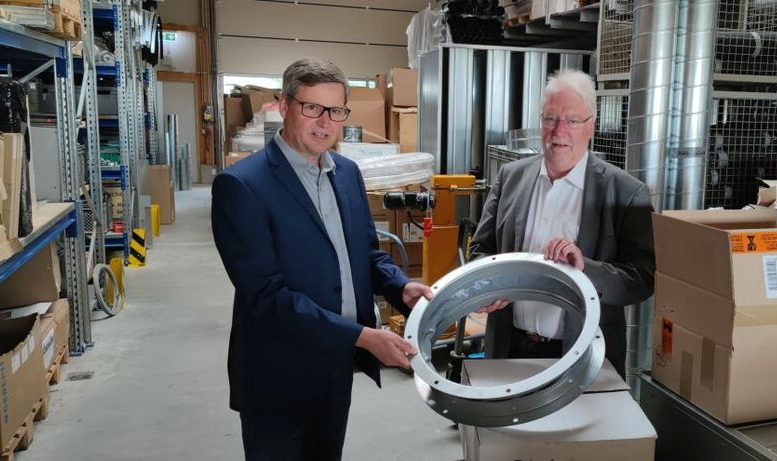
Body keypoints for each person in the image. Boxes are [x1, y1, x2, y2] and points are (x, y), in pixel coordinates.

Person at [211, 58, 433, 461]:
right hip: (277, 375)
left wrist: (400, 287)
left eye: (336, 111)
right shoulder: (242, 185)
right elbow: (266, 296)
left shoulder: (346, 173)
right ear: (284, 105)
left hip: (335, 367)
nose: (324, 123)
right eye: (312, 107)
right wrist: (362, 336)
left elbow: (365, 253)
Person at [469, 69, 656, 379]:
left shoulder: (626, 192)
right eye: (550, 118)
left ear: (591, 125)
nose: (559, 131)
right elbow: (481, 248)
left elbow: (642, 278)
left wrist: (585, 269)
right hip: (508, 349)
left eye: (572, 121)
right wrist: (488, 285)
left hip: (585, 357)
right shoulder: (510, 177)